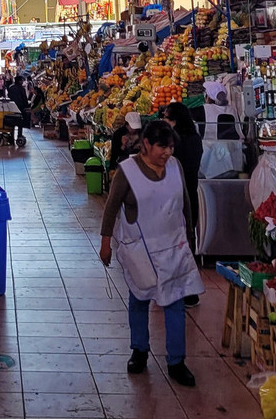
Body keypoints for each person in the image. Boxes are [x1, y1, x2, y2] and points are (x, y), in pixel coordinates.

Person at [99, 120, 203, 388]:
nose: (168, 153)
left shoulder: (175, 167)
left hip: (173, 247)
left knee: (175, 302)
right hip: (140, 249)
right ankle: (139, 351)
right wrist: (105, 242)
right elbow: (111, 207)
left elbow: (185, 203)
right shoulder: (127, 171)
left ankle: (177, 361)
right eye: (162, 147)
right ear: (146, 144)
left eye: (171, 147)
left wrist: (190, 239)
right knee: (140, 298)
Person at [164, 102, 204, 306]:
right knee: (187, 241)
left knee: (174, 244)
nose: (164, 121)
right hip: (191, 195)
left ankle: (180, 290)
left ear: (175, 120)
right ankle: (189, 290)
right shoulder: (195, 138)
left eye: (166, 117)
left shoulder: (174, 142)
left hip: (175, 198)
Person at [7, 75, 30, 140]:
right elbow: (24, 98)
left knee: (12, 121)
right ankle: (19, 135)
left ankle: (11, 135)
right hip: (20, 107)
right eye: (22, 80)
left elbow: (8, 96)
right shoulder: (21, 88)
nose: (22, 81)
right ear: (19, 81)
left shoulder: (11, 87)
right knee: (20, 121)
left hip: (12, 107)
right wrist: (27, 106)